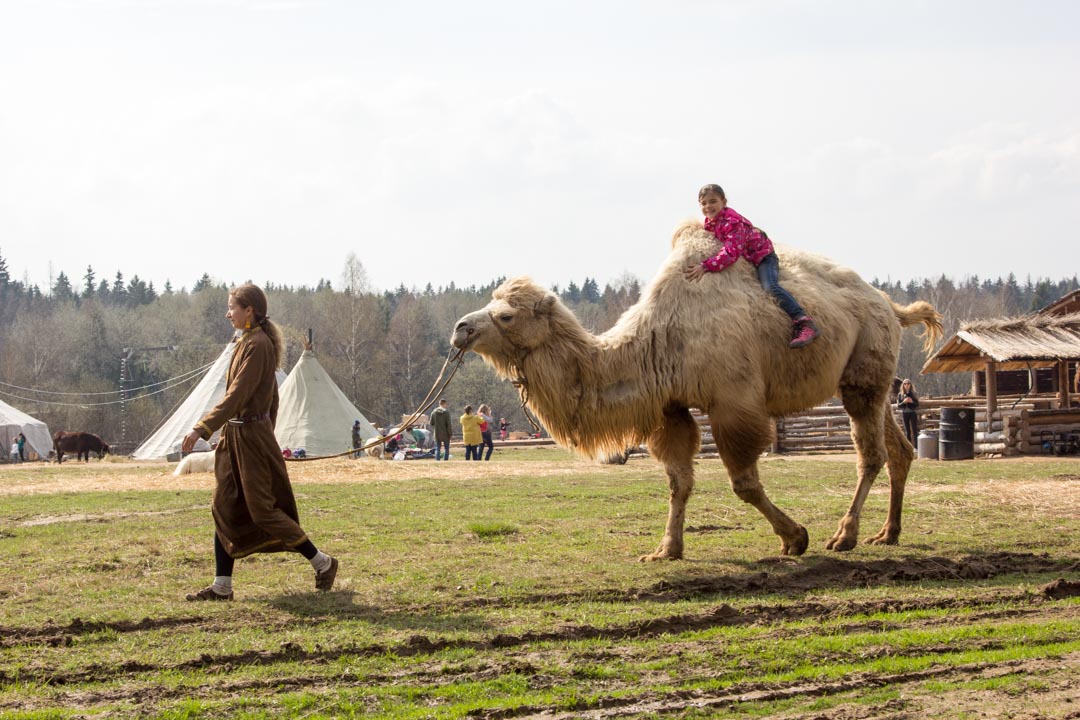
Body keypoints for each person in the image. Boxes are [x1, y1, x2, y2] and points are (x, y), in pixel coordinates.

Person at [181, 283, 338, 601]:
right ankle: (222, 586)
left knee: (262, 510)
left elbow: (238, 395)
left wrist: (202, 428)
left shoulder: (259, 345)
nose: (228, 313)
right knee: (223, 506)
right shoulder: (245, 342)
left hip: (251, 438)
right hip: (237, 436)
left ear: (249, 310)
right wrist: (230, 433)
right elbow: (272, 396)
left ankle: (322, 562)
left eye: (232, 307)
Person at [684, 184, 818, 348]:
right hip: (748, 258)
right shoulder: (711, 222)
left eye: (713, 201)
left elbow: (731, 252)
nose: (708, 207)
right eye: (703, 203)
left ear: (724, 202)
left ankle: (803, 321)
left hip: (763, 257)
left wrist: (705, 266)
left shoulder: (732, 222)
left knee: (770, 287)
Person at [897, 378, 920, 446]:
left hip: (912, 413)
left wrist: (911, 401)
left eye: (908, 383)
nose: (906, 385)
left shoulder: (914, 393)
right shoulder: (900, 394)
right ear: (903, 385)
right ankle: (909, 447)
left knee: (914, 431)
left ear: (910, 385)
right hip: (905, 413)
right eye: (905, 384)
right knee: (907, 432)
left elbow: (917, 404)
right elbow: (899, 406)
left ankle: (916, 447)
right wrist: (904, 402)